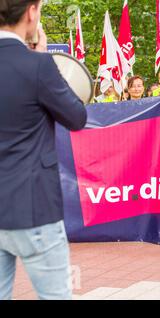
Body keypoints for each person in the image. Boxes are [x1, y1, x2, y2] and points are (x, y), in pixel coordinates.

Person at [0, 0, 87, 300]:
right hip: (33, 207)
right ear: (31, 12)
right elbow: (77, 117)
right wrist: (43, 60)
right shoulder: (37, 65)